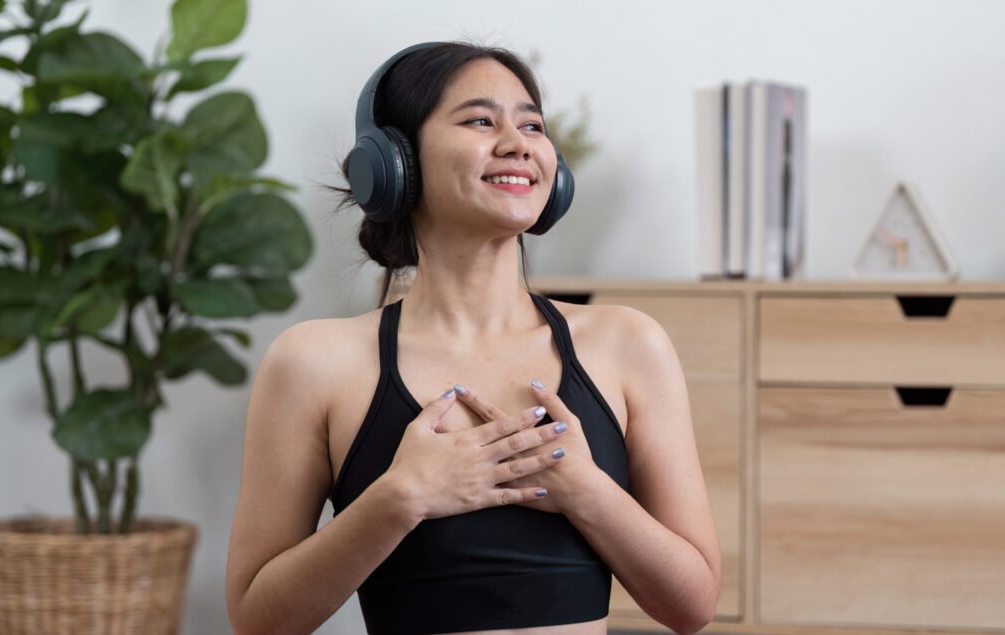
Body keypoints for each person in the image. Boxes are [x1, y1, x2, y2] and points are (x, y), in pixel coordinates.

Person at [225, 41, 720, 635]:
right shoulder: (314, 363)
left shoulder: (628, 344)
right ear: (394, 165)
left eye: (532, 125)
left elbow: (692, 606)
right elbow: (257, 620)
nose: (518, 143)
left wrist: (589, 493)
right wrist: (399, 499)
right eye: (481, 121)